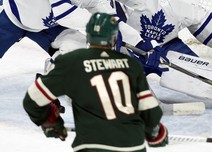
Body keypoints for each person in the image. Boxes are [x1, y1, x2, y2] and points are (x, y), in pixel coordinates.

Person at [23, 12, 168, 152]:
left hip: (92, 145)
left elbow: (32, 101)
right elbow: (151, 112)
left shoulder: (72, 60)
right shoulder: (131, 65)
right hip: (132, 146)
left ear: (88, 36)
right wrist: (155, 133)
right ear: (114, 39)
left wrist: (49, 121)